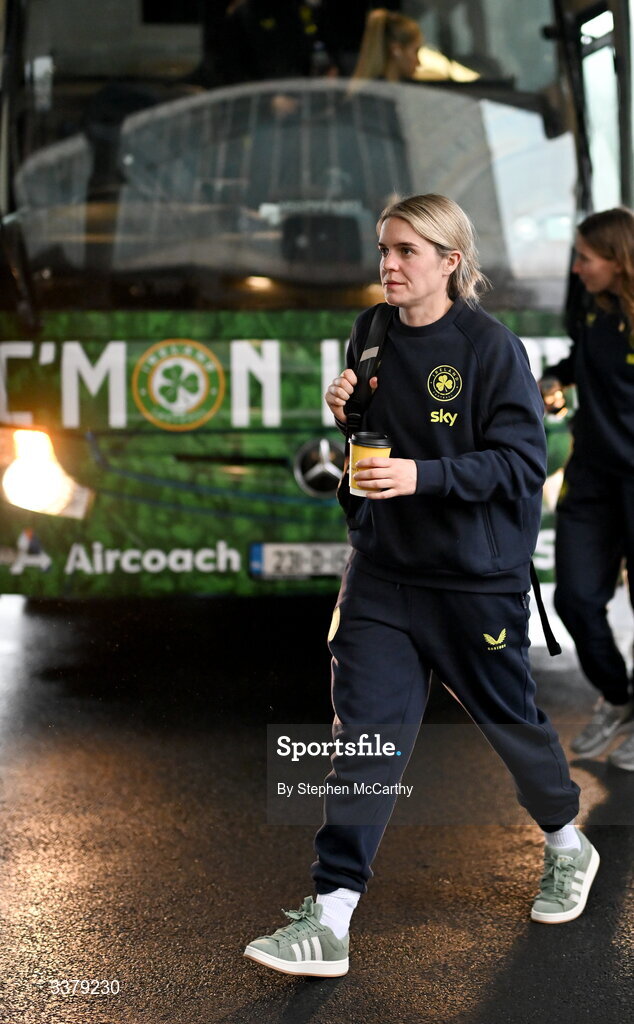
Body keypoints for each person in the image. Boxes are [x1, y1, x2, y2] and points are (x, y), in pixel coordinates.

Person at [243, 194, 599, 978]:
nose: (390, 265)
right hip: (381, 575)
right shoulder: (369, 331)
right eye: (384, 250)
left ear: (452, 262)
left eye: (408, 251)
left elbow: (519, 464)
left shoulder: (490, 348)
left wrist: (421, 474)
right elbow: (375, 432)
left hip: (473, 582)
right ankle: (330, 915)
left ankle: (567, 843)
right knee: (362, 741)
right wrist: (347, 411)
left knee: (511, 725)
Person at [540, 208, 634, 770]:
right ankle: (620, 699)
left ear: (619, 261)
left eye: (586, 258)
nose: (577, 269)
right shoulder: (592, 311)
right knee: (573, 598)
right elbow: (583, 361)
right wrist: (557, 377)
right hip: (593, 478)